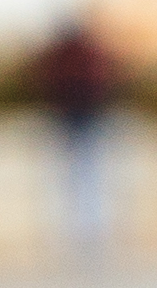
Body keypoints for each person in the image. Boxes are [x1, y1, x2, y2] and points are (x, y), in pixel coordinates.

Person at [27, 16, 129, 267]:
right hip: (80, 119)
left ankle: (86, 232)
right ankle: (85, 232)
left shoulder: (70, 55)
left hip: (78, 119)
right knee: (83, 176)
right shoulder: (84, 54)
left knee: (79, 177)